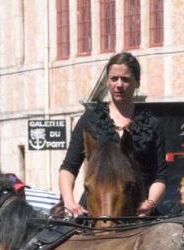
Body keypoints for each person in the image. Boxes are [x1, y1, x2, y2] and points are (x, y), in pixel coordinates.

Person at [59, 52, 167, 217]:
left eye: (125, 79)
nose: (119, 85)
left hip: (138, 213)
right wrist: (69, 202)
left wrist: (150, 203)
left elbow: (160, 176)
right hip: (93, 211)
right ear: (107, 82)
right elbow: (68, 168)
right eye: (114, 78)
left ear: (137, 82)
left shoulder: (151, 124)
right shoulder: (90, 119)